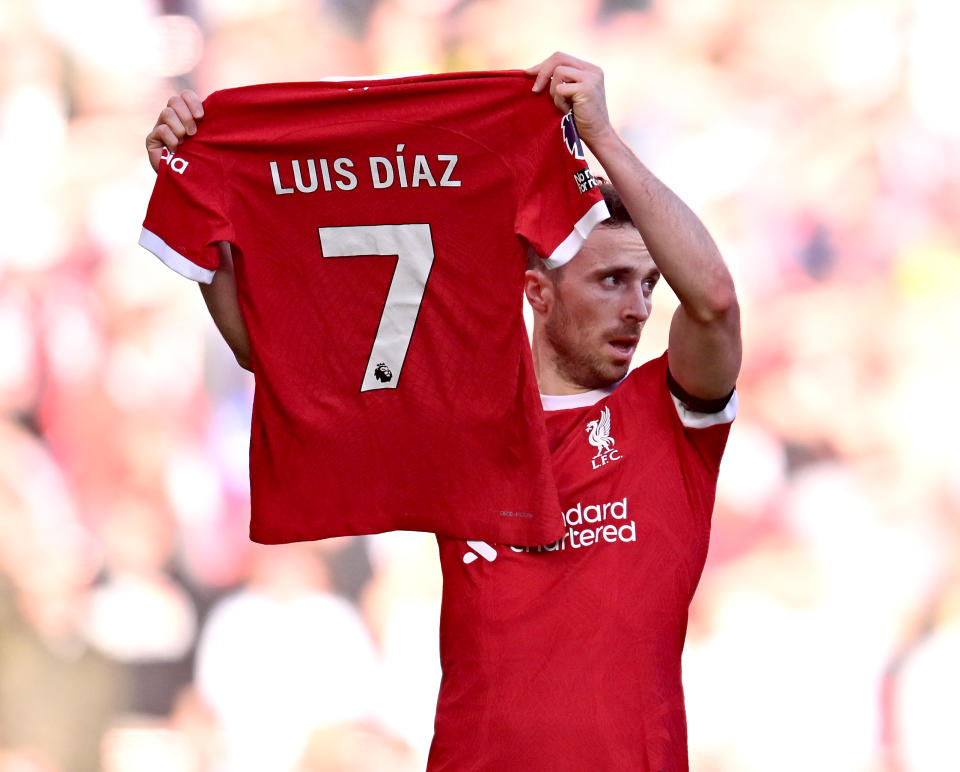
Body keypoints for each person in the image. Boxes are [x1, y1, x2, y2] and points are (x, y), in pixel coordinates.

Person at [146, 52, 741, 771]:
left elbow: (710, 303)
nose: (639, 307)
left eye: (649, 283)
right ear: (537, 291)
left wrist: (604, 140)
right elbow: (275, 364)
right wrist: (196, 181)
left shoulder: (671, 420)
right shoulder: (463, 401)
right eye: (612, 280)